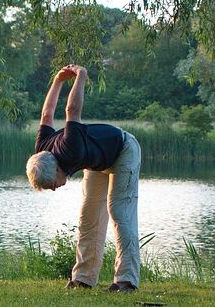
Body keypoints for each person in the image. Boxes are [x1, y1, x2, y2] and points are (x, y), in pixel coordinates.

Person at [26, 64, 142, 292]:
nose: (54, 189)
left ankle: (126, 280)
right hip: (97, 162)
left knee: (119, 210)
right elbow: (47, 114)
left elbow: (72, 110)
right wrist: (58, 80)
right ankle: (83, 278)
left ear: (56, 169)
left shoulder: (69, 148)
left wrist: (81, 75)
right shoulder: (42, 149)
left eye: (51, 185)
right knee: (88, 216)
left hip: (124, 150)